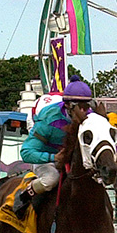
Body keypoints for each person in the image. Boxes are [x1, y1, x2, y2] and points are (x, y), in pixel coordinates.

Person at [13, 79, 94, 216]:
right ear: (67, 105)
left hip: (72, 161)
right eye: (77, 106)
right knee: (51, 179)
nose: (83, 112)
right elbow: (26, 152)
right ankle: (24, 196)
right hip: (47, 160)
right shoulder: (49, 120)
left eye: (86, 106)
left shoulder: (91, 117)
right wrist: (53, 157)